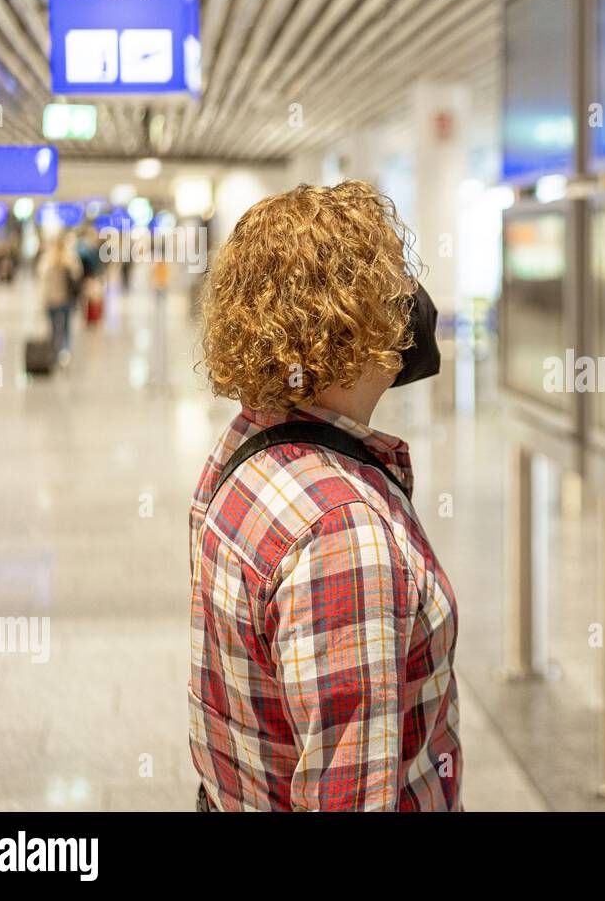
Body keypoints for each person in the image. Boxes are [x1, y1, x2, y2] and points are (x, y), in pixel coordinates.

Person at [190, 180, 460, 811]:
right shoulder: (342, 532)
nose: (413, 307)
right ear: (351, 320)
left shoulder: (242, 451)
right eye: (393, 285)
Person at [37, 232, 82, 362]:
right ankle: (65, 352)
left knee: (53, 329)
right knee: (66, 328)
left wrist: (42, 301)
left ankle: (54, 351)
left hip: (51, 299)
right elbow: (78, 275)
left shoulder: (46, 260)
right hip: (66, 299)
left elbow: (42, 281)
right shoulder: (71, 258)